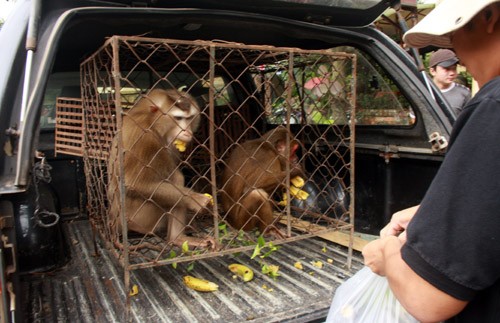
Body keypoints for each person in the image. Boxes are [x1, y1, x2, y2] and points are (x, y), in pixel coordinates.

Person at [362, 1, 500, 322]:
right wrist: (433, 214)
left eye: (452, 36)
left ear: (490, 17)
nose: (456, 53)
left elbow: (430, 300)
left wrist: (386, 253)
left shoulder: (493, 106)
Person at [429, 48, 471, 115]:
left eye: (454, 68)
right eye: (447, 69)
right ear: (433, 71)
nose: (452, 73)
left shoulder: (464, 93)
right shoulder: (423, 90)